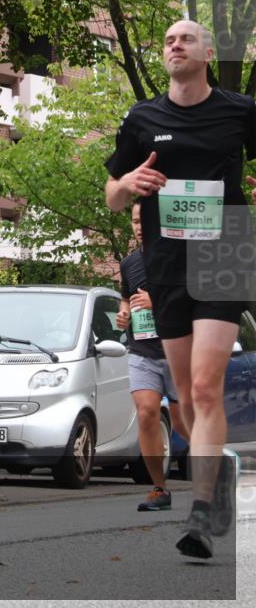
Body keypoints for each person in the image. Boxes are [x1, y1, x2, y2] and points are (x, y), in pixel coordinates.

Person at [105, 20, 256, 559]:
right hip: (165, 262)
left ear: (208, 53)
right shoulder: (142, 118)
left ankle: (203, 510)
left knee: (206, 386)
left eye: (186, 39)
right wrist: (128, 184)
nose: (175, 45)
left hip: (225, 252)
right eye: (169, 40)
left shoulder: (240, 110)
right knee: (187, 397)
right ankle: (218, 473)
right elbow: (112, 196)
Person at [115, 201, 189, 512]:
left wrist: (156, 301)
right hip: (142, 350)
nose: (140, 226)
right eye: (135, 221)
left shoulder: (178, 256)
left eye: (145, 220)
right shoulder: (129, 262)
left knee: (183, 424)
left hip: (177, 350)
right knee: (146, 413)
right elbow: (126, 298)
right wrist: (123, 313)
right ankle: (159, 488)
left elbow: (195, 297)